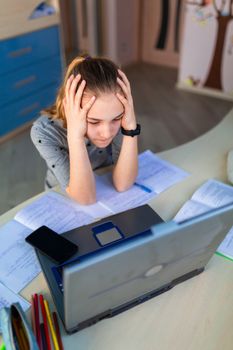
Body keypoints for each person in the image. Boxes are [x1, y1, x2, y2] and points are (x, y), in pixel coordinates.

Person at [31, 56, 140, 205]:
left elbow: (123, 185)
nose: (107, 133)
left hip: (104, 180)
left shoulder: (122, 118)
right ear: (67, 107)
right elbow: (86, 199)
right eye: (94, 122)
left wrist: (130, 129)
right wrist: (75, 137)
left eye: (116, 119)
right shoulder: (44, 132)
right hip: (61, 197)